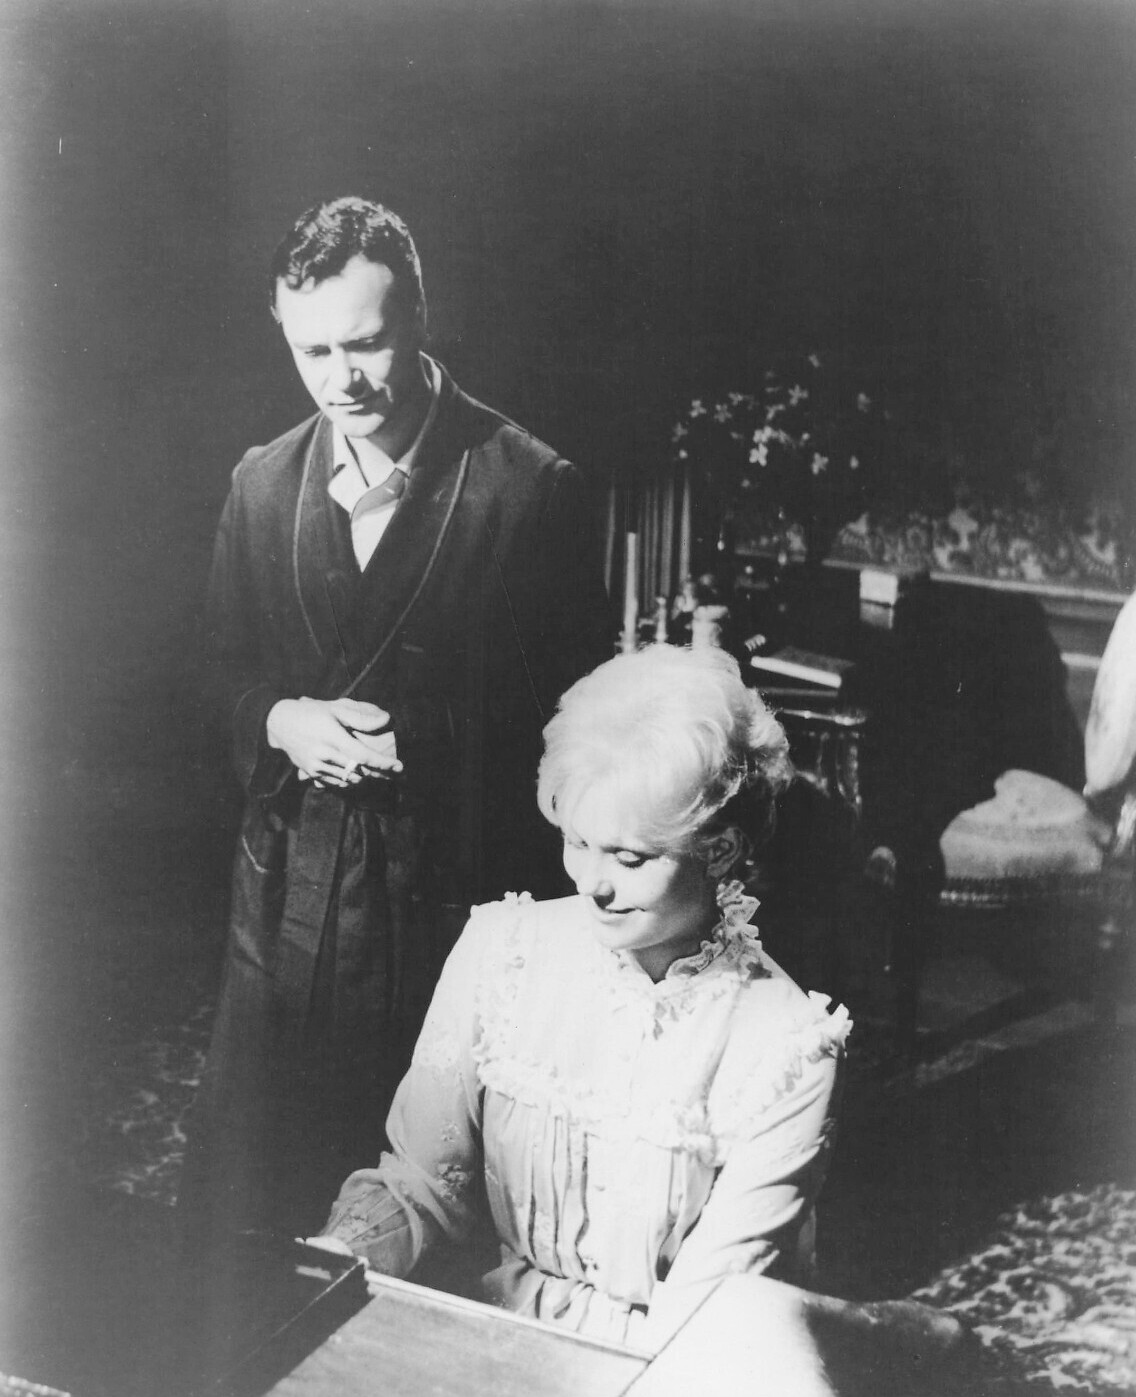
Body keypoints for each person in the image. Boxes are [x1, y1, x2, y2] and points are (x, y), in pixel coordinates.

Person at [181, 197, 612, 1239]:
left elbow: (573, 722)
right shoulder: (260, 483)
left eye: (365, 343)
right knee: (248, 1214)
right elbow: (212, 677)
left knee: (419, 1216)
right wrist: (279, 719)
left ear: (419, 316)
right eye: (313, 351)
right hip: (280, 909)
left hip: (444, 915)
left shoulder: (528, 488)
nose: (343, 379)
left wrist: (413, 738)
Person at [310, 643, 852, 1353]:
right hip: (485, 1335)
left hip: (661, 1369)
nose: (591, 883)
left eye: (629, 858)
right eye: (576, 841)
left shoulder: (788, 1047)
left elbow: (705, 1321)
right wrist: (330, 1263)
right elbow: (420, 1183)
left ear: (719, 852)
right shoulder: (503, 950)